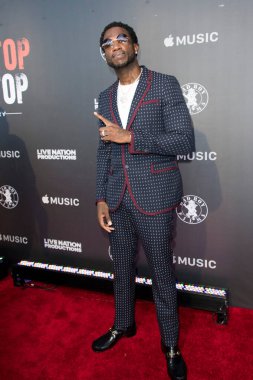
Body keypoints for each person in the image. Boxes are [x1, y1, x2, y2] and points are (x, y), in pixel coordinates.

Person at [92, 21, 194, 380]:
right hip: (117, 198)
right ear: (104, 54)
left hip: (155, 196)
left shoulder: (164, 84)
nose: (114, 45)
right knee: (121, 268)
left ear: (136, 46)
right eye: (107, 43)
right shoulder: (104, 96)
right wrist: (100, 198)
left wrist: (130, 136)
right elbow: (104, 151)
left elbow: (184, 141)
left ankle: (170, 345)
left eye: (121, 39)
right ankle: (124, 324)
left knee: (162, 274)